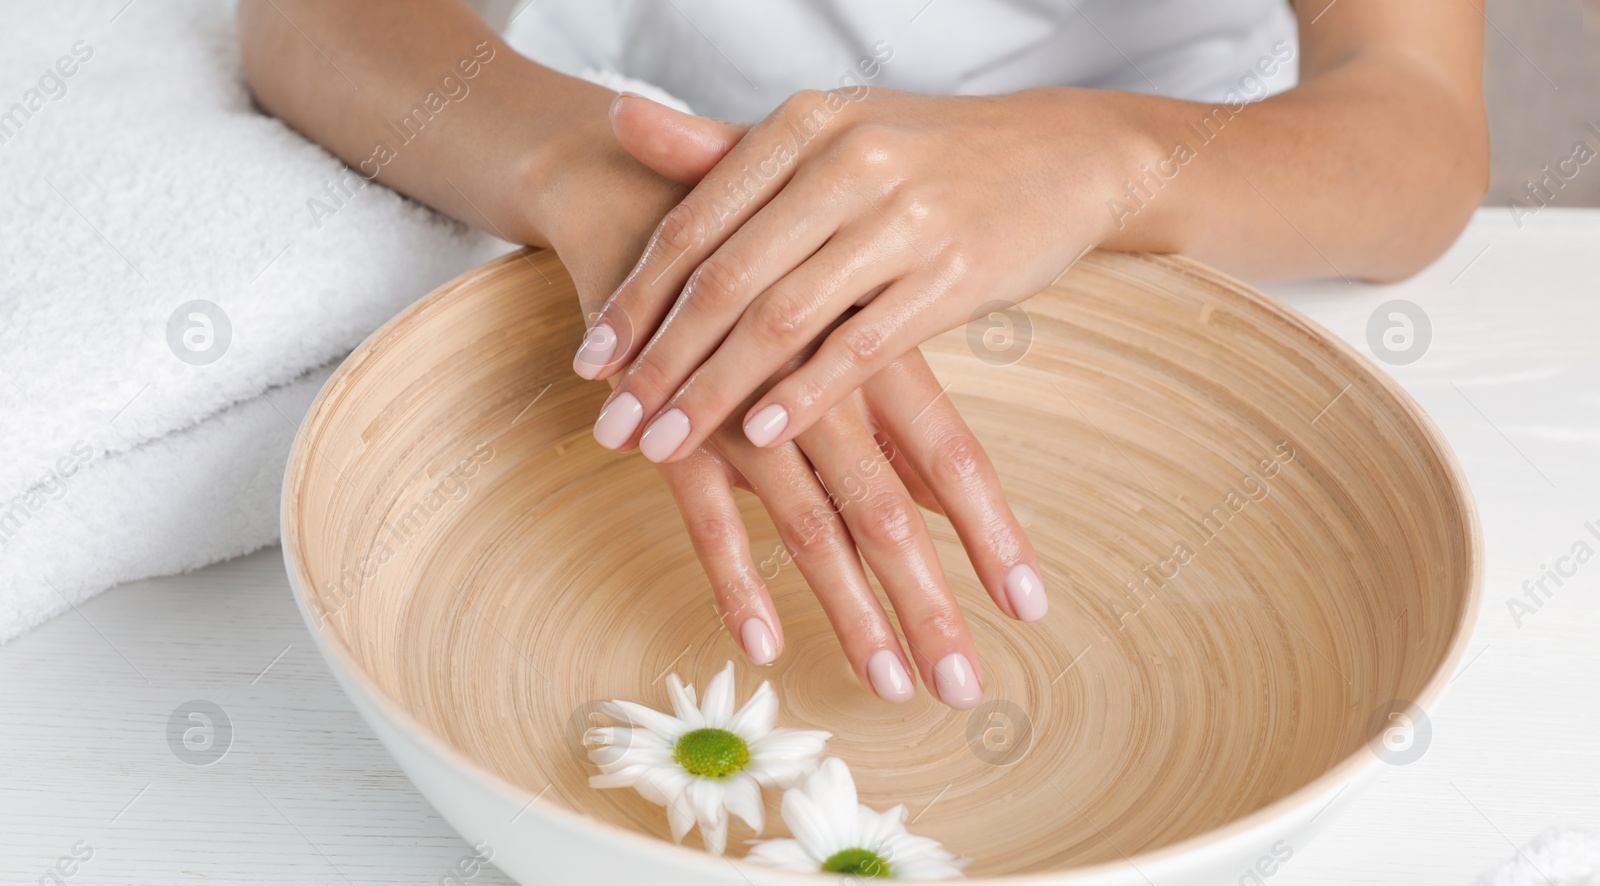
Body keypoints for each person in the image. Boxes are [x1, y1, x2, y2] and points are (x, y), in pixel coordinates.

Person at [238, 0, 1487, 708]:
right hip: (634, 150)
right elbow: (304, 20)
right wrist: (597, 174)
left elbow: (1415, 132)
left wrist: (1103, 160)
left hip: (1187, 206)